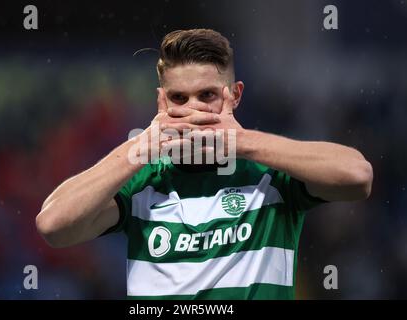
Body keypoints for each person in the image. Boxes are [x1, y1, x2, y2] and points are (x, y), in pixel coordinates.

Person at [36, 29, 373, 299]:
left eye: (207, 95)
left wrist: (242, 142)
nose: (193, 110)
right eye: (178, 98)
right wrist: (140, 146)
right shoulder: (142, 182)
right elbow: (53, 225)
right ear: (161, 101)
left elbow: (358, 176)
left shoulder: (272, 173)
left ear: (235, 96)